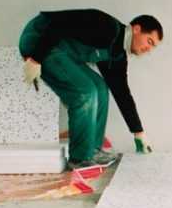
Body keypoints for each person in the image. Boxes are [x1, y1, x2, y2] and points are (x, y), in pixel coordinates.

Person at [18, 9, 163, 169]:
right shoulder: (107, 27)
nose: (149, 49)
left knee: (100, 89)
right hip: (39, 37)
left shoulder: (117, 55)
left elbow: (122, 93)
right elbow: (58, 25)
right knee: (85, 92)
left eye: (153, 47)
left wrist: (138, 132)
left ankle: (93, 151)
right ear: (136, 29)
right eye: (149, 41)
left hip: (63, 51)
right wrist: (36, 59)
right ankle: (80, 158)